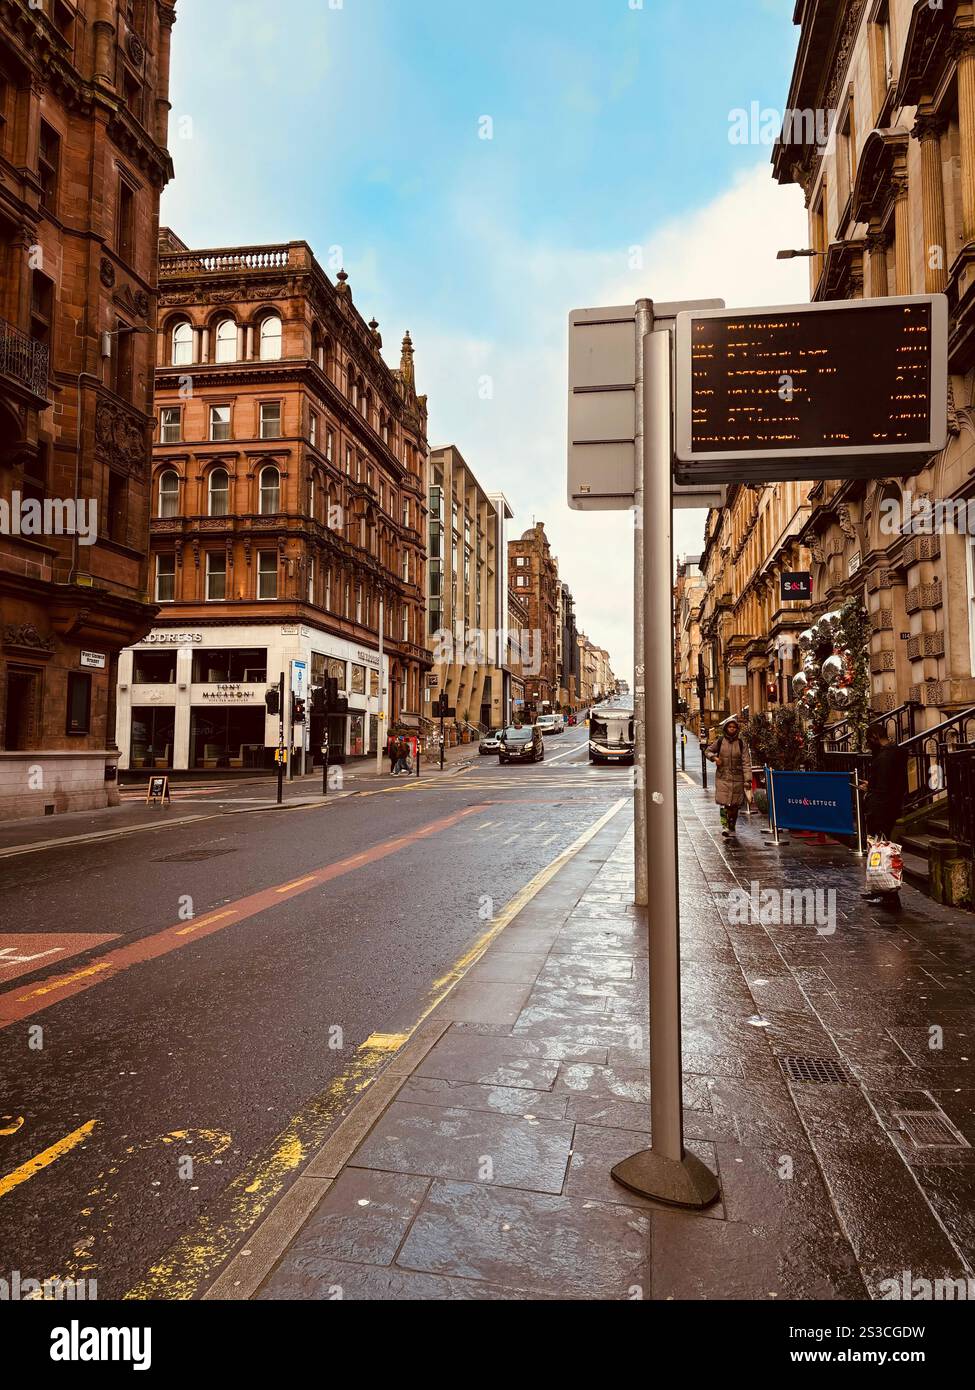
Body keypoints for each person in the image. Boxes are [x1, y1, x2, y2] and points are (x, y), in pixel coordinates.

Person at [859, 726, 909, 903]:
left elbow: (883, 788)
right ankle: (885, 891)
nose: (867, 743)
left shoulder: (884, 758)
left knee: (881, 851)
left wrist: (869, 791)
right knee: (884, 852)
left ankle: (888, 893)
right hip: (891, 806)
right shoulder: (896, 754)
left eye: (868, 739)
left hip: (881, 809)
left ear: (874, 736)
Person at [705, 718, 752, 839]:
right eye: (730, 727)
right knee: (723, 803)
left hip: (737, 778)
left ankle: (732, 823)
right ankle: (724, 826)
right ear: (726, 728)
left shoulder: (741, 743)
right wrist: (715, 758)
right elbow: (708, 751)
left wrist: (747, 780)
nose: (732, 729)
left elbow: (746, 762)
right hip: (723, 777)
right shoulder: (720, 741)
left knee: (734, 806)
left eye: (734, 727)